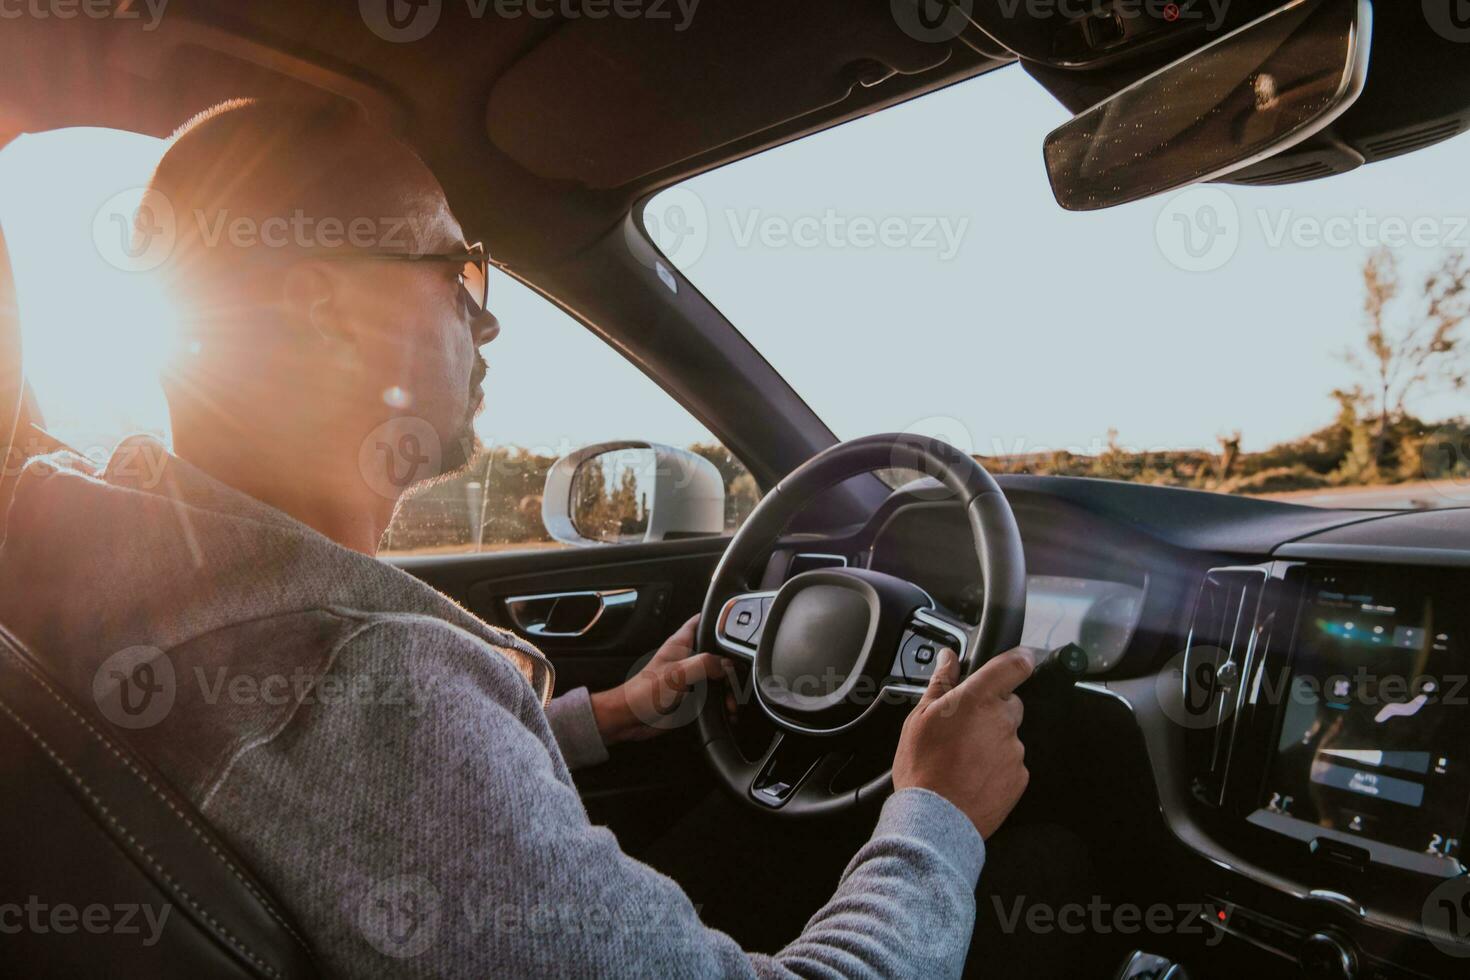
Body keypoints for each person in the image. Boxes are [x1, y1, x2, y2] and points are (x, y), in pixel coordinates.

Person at [0, 99, 1032, 977]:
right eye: (459, 275)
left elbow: (356, 810)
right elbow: (385, 769)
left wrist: (603, 718)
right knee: (1051, 872)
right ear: (322, 311)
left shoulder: (85, 546)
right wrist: (935, 813)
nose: (485, 325)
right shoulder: (360, 679)